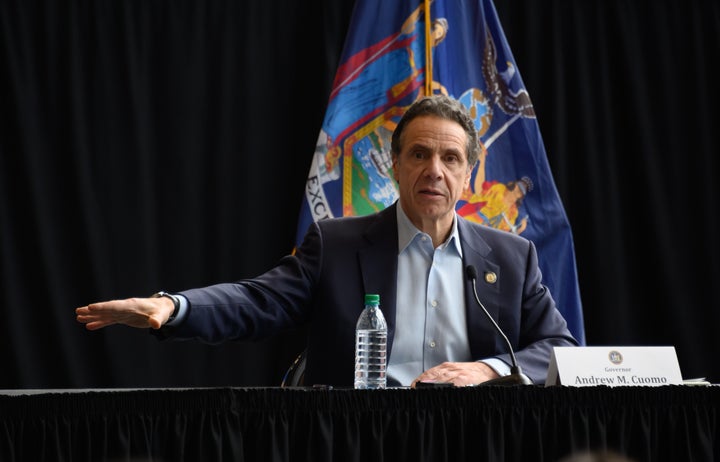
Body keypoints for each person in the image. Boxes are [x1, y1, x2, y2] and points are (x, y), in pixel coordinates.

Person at [76, 94, 578, 388]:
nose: (434, 171)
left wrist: (487, 370)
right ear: (396, 165)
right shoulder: (337, 244)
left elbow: (558, 347)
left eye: (450, 160)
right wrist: (174, 306)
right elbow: (257, 300)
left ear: (469, 175)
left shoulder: (512, 258)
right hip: (362, 439)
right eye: (420, 154)